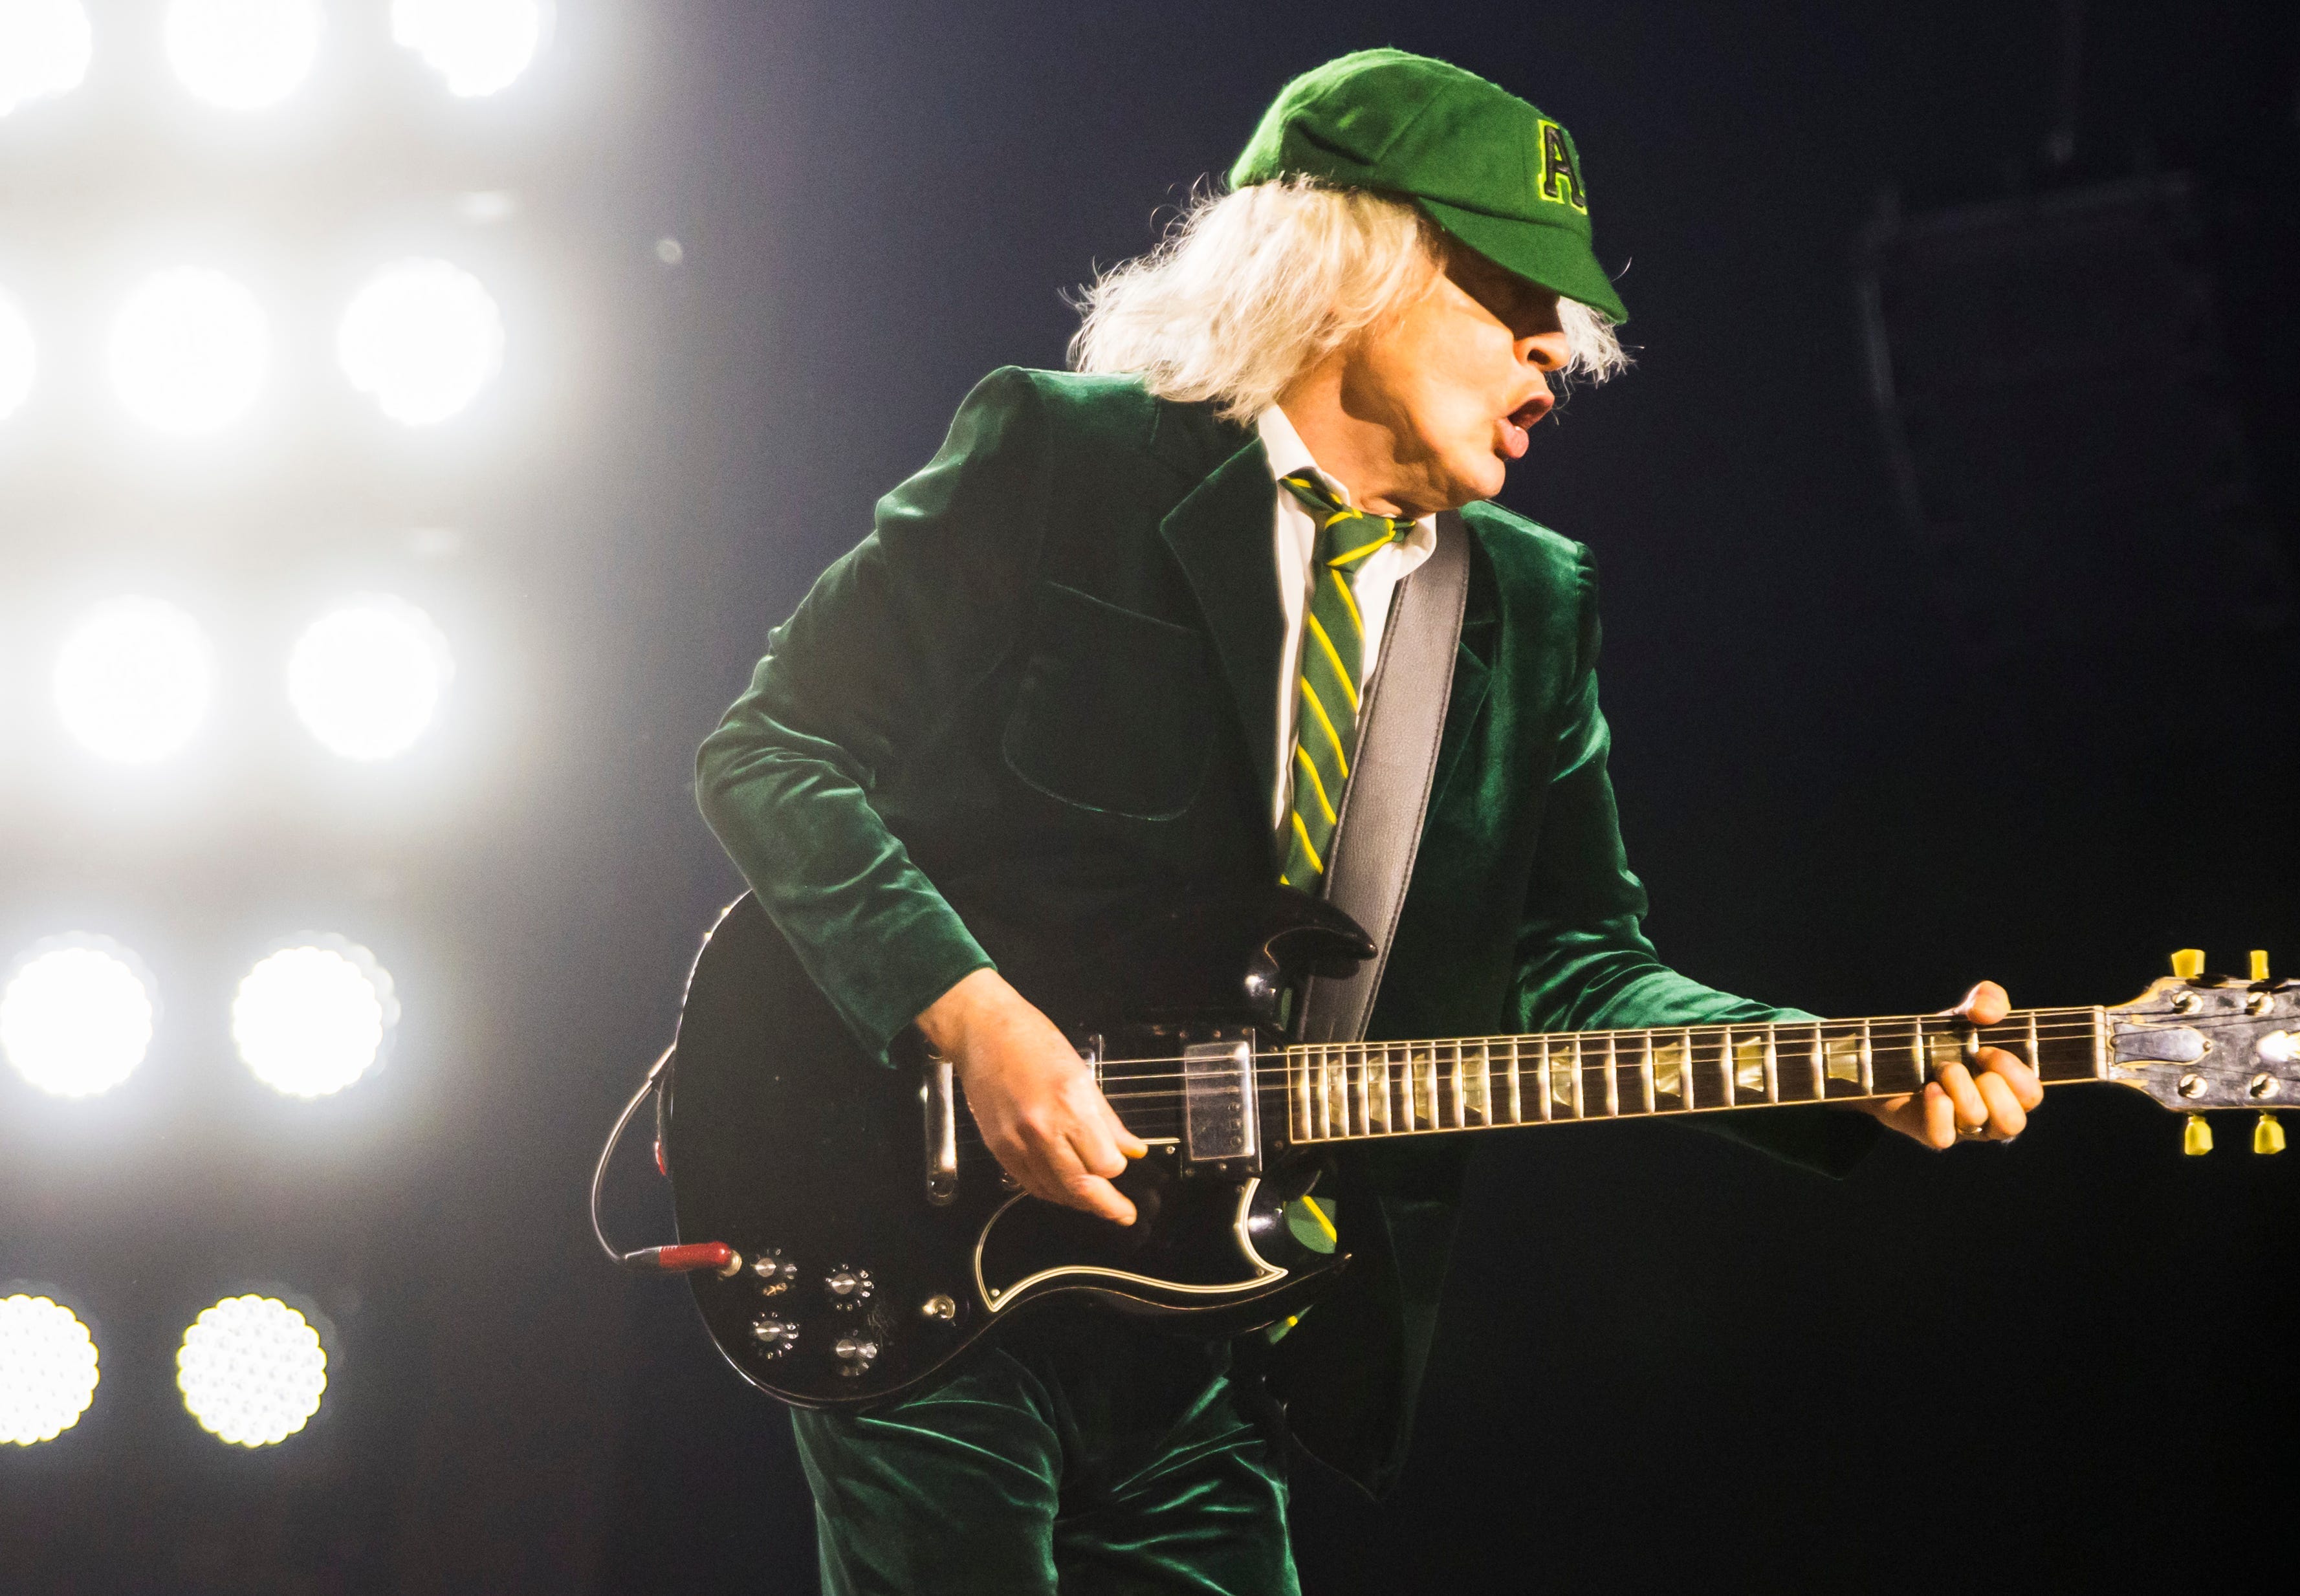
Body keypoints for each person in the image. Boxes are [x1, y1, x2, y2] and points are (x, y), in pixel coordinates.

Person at [695, 48, 2047, 1596]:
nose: (1559, 351)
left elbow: (1569, 959)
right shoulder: (1065, 460)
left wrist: (1844, 1070)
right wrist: (975, 1016)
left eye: (1568, 317)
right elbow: (772, 750)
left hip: (1222, 1320)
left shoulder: (1529, 604)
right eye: (1513, 298)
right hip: (911, 1220)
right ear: (1356, 265)